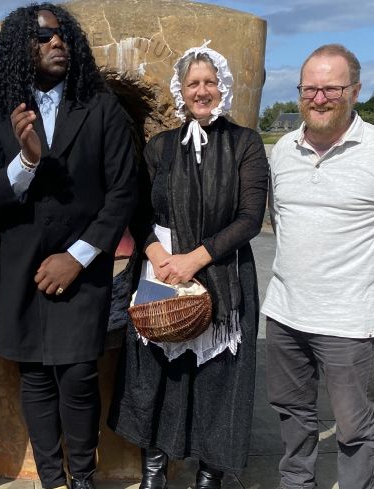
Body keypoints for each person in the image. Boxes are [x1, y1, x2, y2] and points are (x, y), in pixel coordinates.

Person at [0, 3, 137, 488]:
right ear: (20, 46)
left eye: (63, 34)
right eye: (44, 36)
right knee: (36, 376)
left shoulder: (101, 106)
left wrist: (78, 256)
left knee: (78, 374)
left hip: (81, 267)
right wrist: (25, 161)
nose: (57, 43)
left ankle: (81, 477)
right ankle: (52, 478)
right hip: (20, 265)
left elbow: (123, 192)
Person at [263, 44, 374, 489]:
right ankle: (296, 483)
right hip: (285, 312)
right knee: (293, 414)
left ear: (355, 90)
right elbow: (282, 222)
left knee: (354, 428)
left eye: (331, 88)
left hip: (348, 321)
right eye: (309, 89)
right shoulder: (282, 151)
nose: (319, 99)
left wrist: (362, 284)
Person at [108, 41, 268, 489]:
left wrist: (194, 259)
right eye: (193, 83)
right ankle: (155, 470)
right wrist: (159, 258)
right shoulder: (160, 148)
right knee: (155, 373)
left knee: (218, 379)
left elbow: (250, 218)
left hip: (222, 273)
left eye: (210, 82)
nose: (202, 91)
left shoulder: (245, 144)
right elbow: (138, 210)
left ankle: (209, 475)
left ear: (223, 88)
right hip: (160, 274)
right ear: (182, 90)